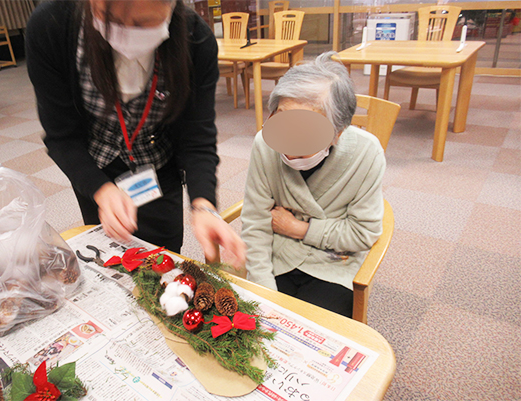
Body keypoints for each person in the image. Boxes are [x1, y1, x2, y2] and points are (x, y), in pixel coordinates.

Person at [26, 0, 245, 265]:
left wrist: (204, 204)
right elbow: (62, 136)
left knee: (164, 258)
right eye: (108, 18)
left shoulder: (196, 40)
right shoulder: (52, 25)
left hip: (158, 169)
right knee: (108, 258)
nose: (125, 34)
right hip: (94, 168)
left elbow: (196, 136)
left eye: (143, 23)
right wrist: (101, 190)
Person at [241, 52, 385, 318]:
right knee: (254, 323)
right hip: (278, 256)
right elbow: (255, 224)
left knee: (315, 328)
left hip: (334, 262)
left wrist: (300, 229)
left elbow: (363, 233)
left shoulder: (366, 153)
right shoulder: (265, 144)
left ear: (338, 133)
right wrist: (264, 292)